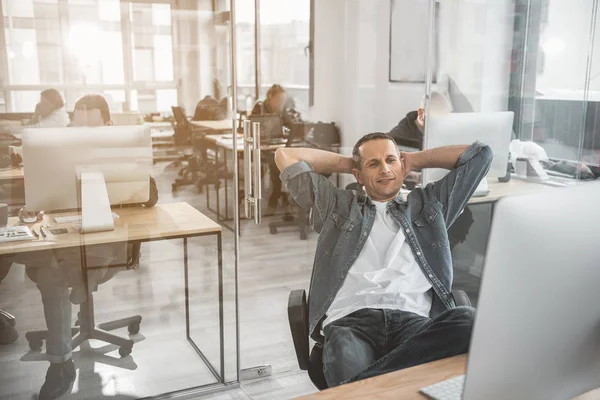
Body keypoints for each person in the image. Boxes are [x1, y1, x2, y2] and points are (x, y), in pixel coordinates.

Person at [275, 132, 492, 387]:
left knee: (468, 320)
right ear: (358, 176)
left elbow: (481, 156)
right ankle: (374, 385)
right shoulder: (338, 206)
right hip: (351, 322)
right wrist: (352, 163)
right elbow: (285, 156)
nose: (385, 169)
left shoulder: (429, 205)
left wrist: (413, 160)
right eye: (374, 164)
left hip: (414, 322)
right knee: (348, 358)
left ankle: (364, 387)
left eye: (391, 160)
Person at [23, 94, 158, 400]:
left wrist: (119, 160)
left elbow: (149, 196)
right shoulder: (60, 153)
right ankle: (61, 362)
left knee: (54, 273)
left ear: (109, 125)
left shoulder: (122, 151)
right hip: (67, 241)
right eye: (78, 129)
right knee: (49, 270)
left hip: (107, 245)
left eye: (93, 129)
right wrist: (33, 207)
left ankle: (61, 357)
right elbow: (44, 199)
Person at [251, 84, 298, 216]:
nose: (280, 103)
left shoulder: (282, 110)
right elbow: (250, 129)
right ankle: (281, 199)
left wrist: (288, 144)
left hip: (276, 146)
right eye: (278, 100)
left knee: (283, 162)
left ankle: (277, 198)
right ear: (270, 97)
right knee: (276, 164)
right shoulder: (259, 107)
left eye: (283, 101)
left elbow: (293, 127)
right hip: (261, 148)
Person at [0, 89, 70, 136]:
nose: (40, 104)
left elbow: (33, 129)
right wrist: (36, 114)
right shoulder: (49, 112)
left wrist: (5, 129)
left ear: (53, 103)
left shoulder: (58, 117)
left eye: (43, 102)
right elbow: (31, 124)